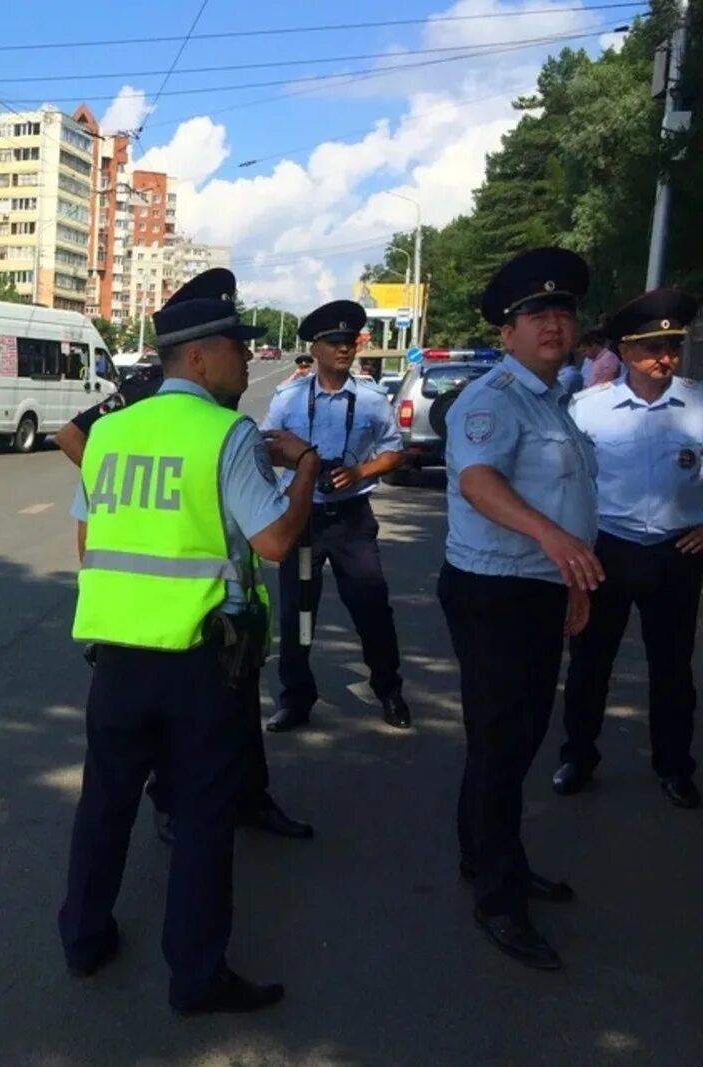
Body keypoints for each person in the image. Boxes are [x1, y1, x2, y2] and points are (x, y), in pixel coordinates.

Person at [58, 292, 321, 1014]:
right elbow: (274, 542)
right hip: (200, 664)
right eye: (238, 347)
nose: (246, 359)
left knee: (104, 803)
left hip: (115, 655)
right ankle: (197, 976)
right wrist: (303, 470)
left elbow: (89, 539)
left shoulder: (110, 434)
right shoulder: (225, 433)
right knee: (205, 818)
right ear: (200, 357)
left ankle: (83, 938)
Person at [438, 247, 602, 971]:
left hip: (534, 590)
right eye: (536, 312)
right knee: (504, 745)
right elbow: (477, 482)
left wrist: (567, 578)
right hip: (494, 593)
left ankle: (489, 856)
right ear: (506, 332)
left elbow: (569, 499)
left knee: (513, 739)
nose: (553, 322)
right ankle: (499, 898)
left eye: (562, 310)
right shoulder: (491, 400)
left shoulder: (555, 401)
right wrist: (554, 540)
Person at [554, 288, 703, 809]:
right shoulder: (587, 409)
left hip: (677, 552)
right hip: (607, 550)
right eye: (651, 347)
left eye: (672, 346)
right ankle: (578, 755)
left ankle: (674, 766)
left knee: (673, 668)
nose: (664, 357)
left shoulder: (699, 403)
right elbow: (564, 482)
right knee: (591, 662)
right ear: (624, 351)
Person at [262, 300, 412, 731]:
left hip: (350, 519)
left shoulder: (369, 398)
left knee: (371, 606)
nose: (344, 350)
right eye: (334, 343)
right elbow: (267, 445)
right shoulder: (289, 397)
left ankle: (389, 688)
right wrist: (301, 464)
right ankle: (296, 698)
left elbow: (394, 450)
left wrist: (360, 471)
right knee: (297, 612)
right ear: (316, 348)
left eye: (349, 342)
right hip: (302, 518)